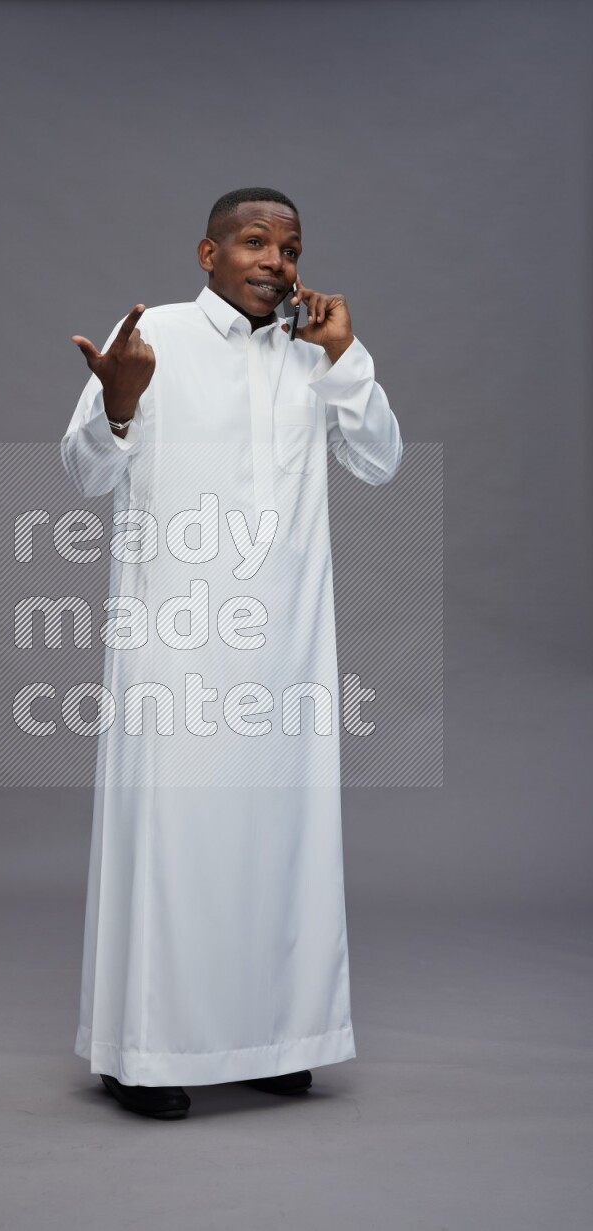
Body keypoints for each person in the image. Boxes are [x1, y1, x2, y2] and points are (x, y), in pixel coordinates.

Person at [61, 187, 403, 1120]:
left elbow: (380, 460)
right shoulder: (154, 333)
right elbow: (85, 474)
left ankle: (275, 1036)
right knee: (174, 843)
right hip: (176, 636)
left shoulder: (311, 351)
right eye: (254, 242)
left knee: (282, 842)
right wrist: (117, 405)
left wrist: (343, 359)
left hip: (288, 645)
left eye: (290, 248)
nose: (276, 261)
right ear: (208, 254)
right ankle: (144, 1050)